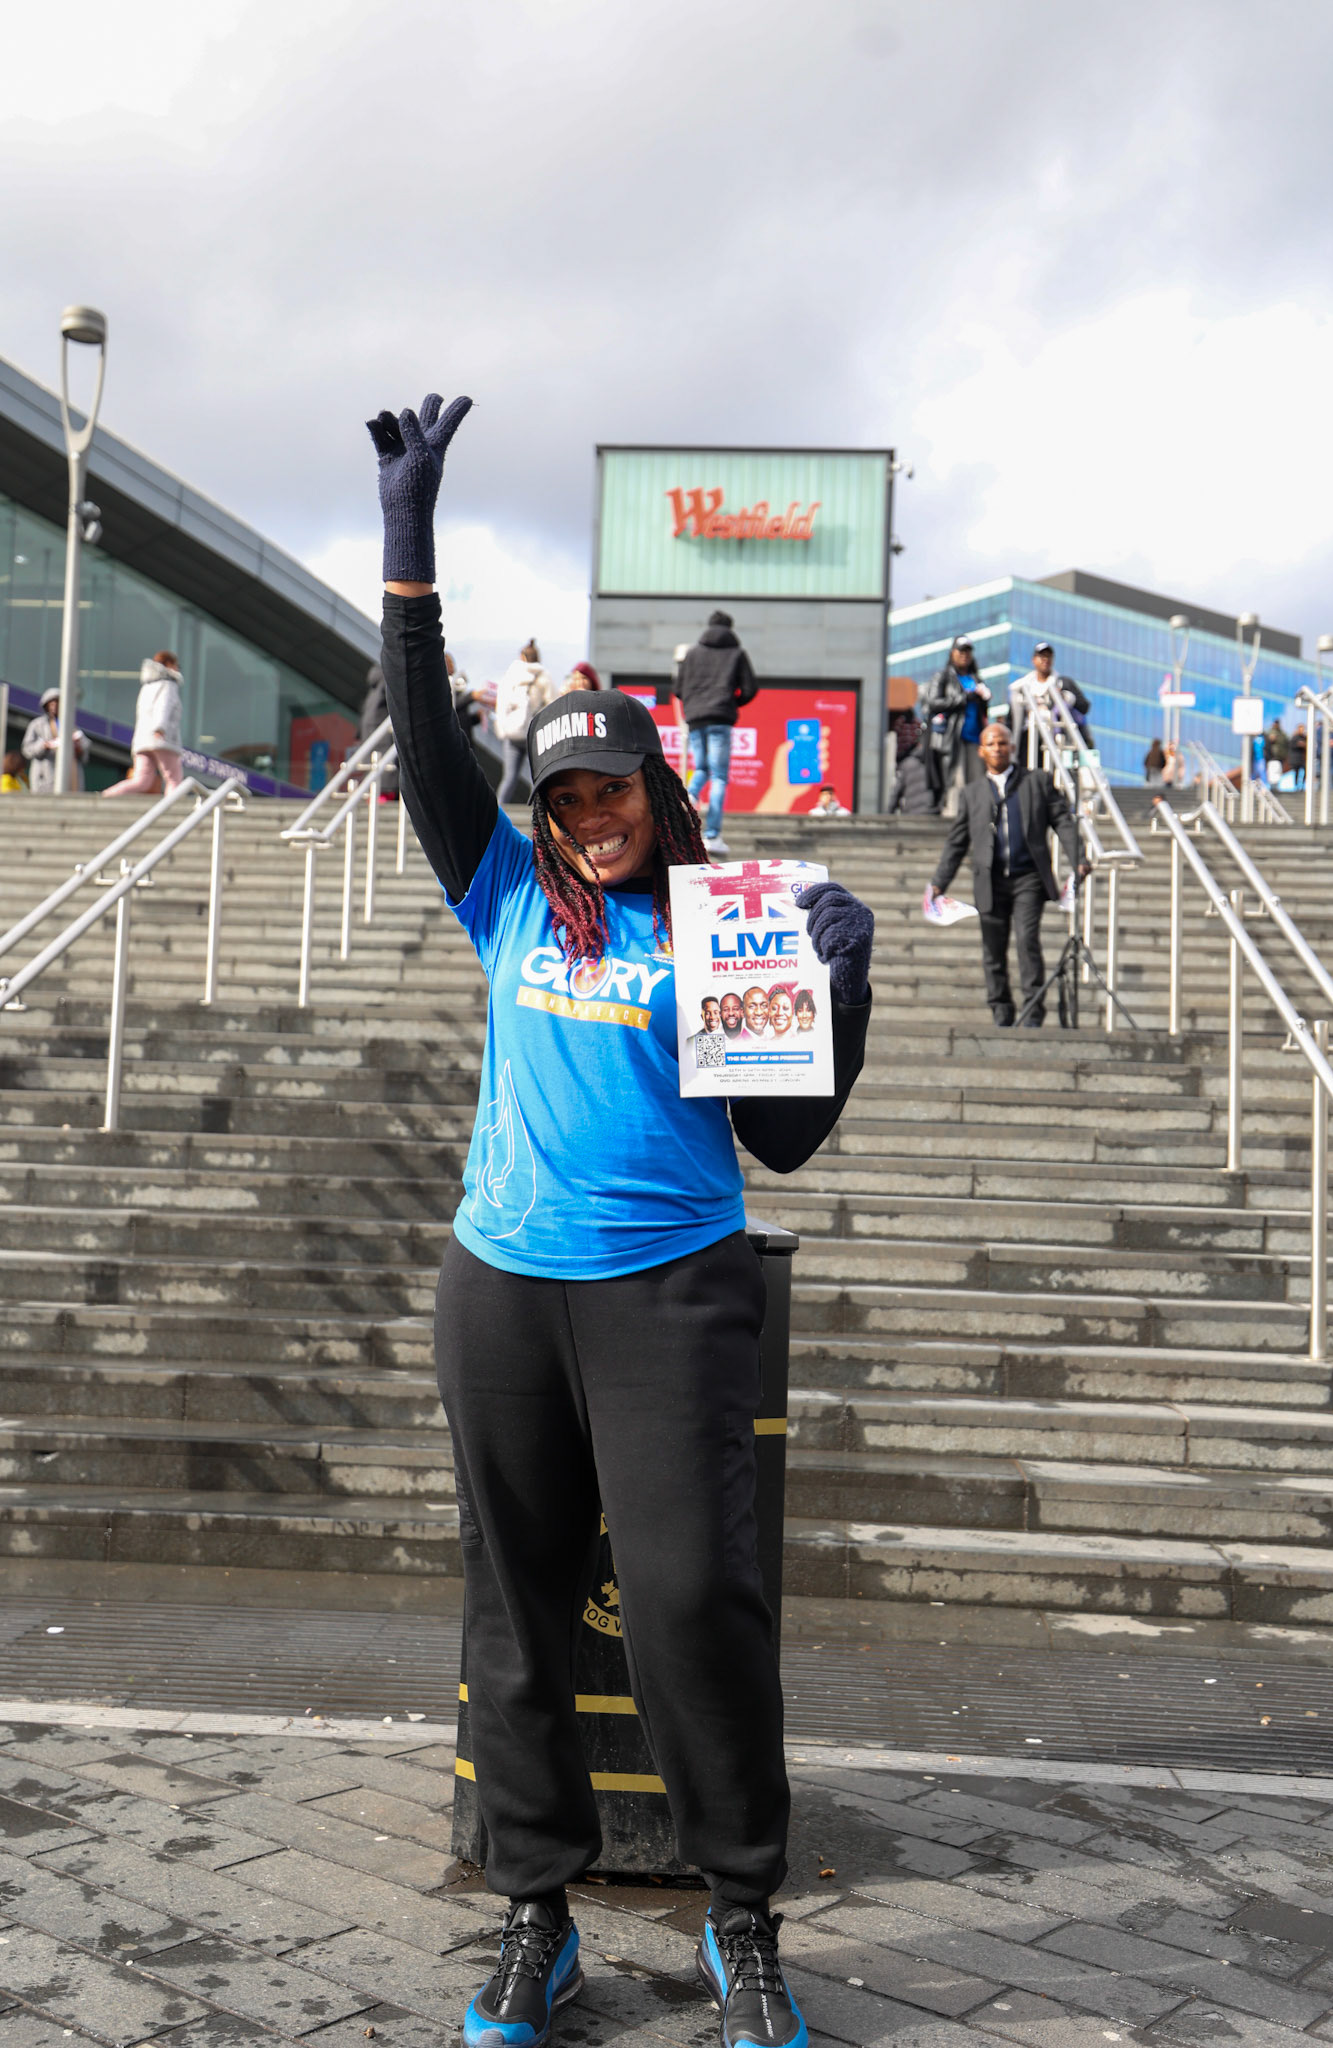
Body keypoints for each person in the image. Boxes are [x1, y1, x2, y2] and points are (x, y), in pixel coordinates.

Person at [366, 390, 875, 2048]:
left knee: (688, 1606)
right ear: (543, 807)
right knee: (515, 1611)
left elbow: (784, 1140)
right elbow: (424, 736)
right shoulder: (507, 891)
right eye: (567, 794)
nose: (592, 816)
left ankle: (742, 1916)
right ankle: (538, 1914)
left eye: (613, 791)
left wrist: (839, 985)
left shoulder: (727, 923)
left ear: (657, 789)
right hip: (503, 1288)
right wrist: (409, 545)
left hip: (672, 1293)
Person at [929, 721, 1080, 1029]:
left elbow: (1063, 821)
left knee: (1027, 941)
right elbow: (956, 843)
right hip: (990, 881)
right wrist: (938, 884)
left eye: (1002, 743)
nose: (997, 748)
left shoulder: (1037, 781)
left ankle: (1033, 1012)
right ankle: (1001, 1011)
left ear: (1012, 747)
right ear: (981, 751)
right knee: (992, 951)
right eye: (991, 744)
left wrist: (1079, 860)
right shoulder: (971, 794)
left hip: (1029, 878)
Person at [672, 610, 759, 855]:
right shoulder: (737, 653)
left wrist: (695, 704)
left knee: (701, 768)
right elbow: (750, 688)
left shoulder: (692, 653)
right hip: (721, 718)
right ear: (730, 628)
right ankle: (712, 835)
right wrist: (731, 703)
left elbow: (678, 689)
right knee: (719, 776)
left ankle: (689, 797)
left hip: (696, 718)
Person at [924, 637, 992, 819]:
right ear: (952, 653)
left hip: (975, 738)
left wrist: (983, 699)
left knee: (977, 781)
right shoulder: (943, 677)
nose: (964, 655)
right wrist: (963, 698)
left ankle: (976, 820)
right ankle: (954, 819)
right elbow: (932, 703)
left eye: (968, 651)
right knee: (955, 780)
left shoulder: (976, 679)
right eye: (961, 650)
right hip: (953, 738)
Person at [102, 654, 185, 799]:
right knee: (174, 779)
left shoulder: (147, 687)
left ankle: (107, 795)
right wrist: (160, 728)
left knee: (142, 781)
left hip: (142, 740)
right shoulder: (168, 685)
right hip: (162, 738)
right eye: (176, 665)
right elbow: (163, 707)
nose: (178, 668)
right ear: (168, 664)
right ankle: (172, 807)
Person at [494, 638, 554, 805]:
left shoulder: (511, 676)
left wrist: (502, 728)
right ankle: (537, 810)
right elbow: (551, 703)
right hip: (534, 733)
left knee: (509, 776)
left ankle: (498, 811)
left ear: (521, 657)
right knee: (536, 775)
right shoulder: (544, 676)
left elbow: (502, 704)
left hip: (512, 732)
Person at [22, 686, 91, 793]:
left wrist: (78, 747)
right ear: (46, 705)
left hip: (68, 780)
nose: (54, 707)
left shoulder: (71, 726)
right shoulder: (37, 725)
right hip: (45, 778)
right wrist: (44, 745)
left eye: (58, 703)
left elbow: (85, 750)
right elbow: (27, 749)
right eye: (51, 704)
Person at [1030, 642, 1094, 750]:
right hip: (1033, 740)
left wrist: (1066, 697)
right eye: (1042, 656)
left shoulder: (1064, 683)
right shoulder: (1026, 687)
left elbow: (1084, 706)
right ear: (1034, 660)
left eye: (1049, 656)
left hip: (1062, 742)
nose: (1045, 659)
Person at [355, 659, 400, 799]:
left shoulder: (374, 687)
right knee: (385, 772)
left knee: (375, 772)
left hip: (370, 734)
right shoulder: (389, 679)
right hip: (384, 736)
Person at [1288, 724, 1308, 790]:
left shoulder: (1305, 738)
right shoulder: (1294, 737)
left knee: (1305, 770)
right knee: (1296, 772)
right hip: (1296, 758)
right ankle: (1296, 785)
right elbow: (1291, 746)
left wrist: (1304, 745)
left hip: (1303, 758)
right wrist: (1298, 745)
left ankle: (1302, 784)